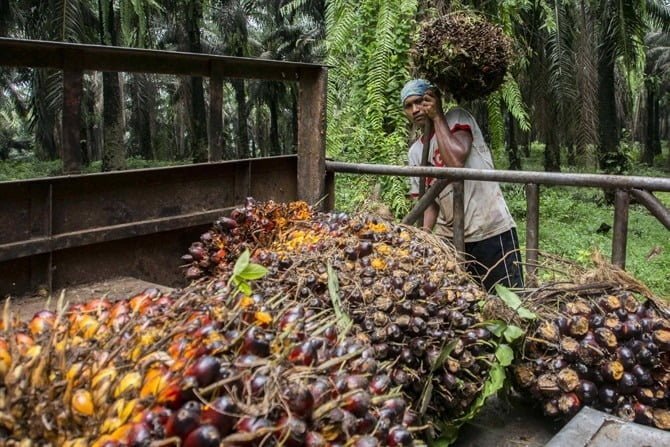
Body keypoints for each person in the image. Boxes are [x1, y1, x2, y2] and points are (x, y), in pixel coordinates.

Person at [401, 78, 524, 292]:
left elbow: (455, 162)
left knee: (508, 301)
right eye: (408, 105)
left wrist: (437, 116)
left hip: (488, 229)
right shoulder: (415, 153)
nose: (415, 109)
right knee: (461, 304)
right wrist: (420, 239)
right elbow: (428, 205)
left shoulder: (457, 118)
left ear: (433, 100)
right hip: (450, 238)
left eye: (420, 101)